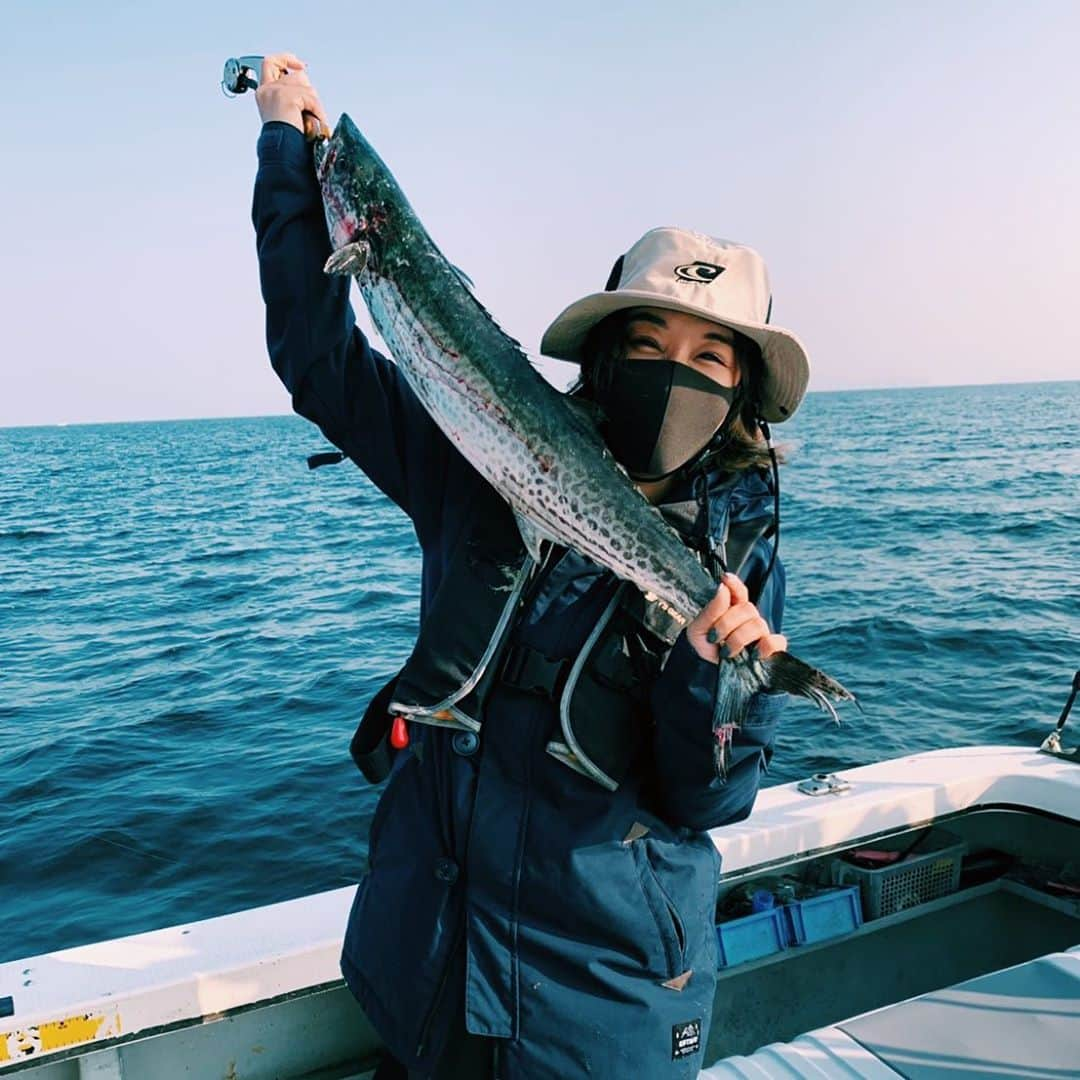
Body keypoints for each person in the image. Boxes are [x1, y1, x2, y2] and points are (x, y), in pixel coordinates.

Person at [252, 53, 809, 1079]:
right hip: (424, 975)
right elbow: (316, 356)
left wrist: (717, 672)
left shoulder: (737, 555)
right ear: (600, 357)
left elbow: (708, 802)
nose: (675, 372)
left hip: (597, 1023)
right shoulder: (474, 457)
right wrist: (290, 151)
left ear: (741, 395)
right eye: (648, 338)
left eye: (710, 356)